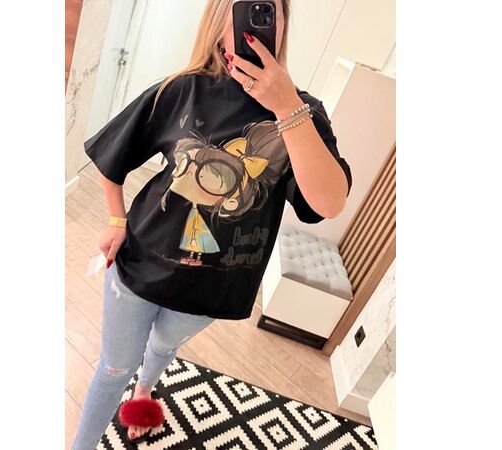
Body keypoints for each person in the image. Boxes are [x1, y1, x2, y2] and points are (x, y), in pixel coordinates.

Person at [71, 0, 352, 448]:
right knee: (114, 367)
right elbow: (112, 156)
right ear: (220, 19)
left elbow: (329, 203)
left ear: (284, 20)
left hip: (213, 290)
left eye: (270, 8)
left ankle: (144, 393)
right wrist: (115, 220)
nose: (258, 19)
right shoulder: (182, 90)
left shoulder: (306, 115)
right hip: (138, 266)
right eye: (244, 6)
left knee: (163, 347)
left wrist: (287, 107)